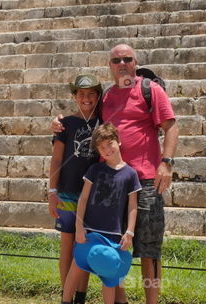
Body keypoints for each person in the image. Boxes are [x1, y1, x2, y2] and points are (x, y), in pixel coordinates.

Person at [54, 44, 178, 304]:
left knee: (149, 250)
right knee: (111, 245)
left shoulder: (150, 90)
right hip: (109, 181)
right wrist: (60, 123)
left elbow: (171, 126)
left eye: (127, 59)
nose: (122, 63)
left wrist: (166, 163)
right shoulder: (107, 96)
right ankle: (119, 300)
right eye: (116, 60)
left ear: (135, 62)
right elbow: (85, 114)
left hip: (144, 180)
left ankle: (151, 302)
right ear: (110, 66)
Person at [62, 123, 140, 304]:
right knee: (77, 266)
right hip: (89, 230)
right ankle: (65, 301)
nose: (107, 150)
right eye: (102, 148)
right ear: (98, 151)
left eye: (109, 144)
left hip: (113, 234)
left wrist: (129, 232)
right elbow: (83, 199)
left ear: (118, 141)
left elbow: (132, 206)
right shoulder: (95, 170)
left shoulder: (131, 174)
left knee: (110, 275)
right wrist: (78, 226)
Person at [49, 73, 102, 304]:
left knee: (85, 248)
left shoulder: (104, 123)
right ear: (74, 96)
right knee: (67, 246)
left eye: (91, 94)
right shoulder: (66, 124)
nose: (86, 98)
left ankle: (81, 296)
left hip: (91, 196)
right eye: (81, 94)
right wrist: (52, 192)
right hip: (67, 192)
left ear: (98, 96)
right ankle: (66, 296)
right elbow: (56, 159)